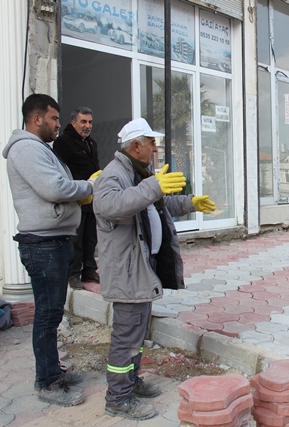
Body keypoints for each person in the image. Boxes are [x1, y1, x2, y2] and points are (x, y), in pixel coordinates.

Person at [92, 118, 215, 420]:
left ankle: (131, 383)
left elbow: (156, 206)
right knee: (126, 336)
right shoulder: (115, 175)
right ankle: (118, 398)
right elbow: (108, 206)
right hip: (126, 270)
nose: (155, 148)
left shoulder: (137, 173)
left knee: (137, 332)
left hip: (140, 267)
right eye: (151, 143)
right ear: (136, 146)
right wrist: (152, 186)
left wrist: (191, 203)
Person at [2, 94, 97, 406]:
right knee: (46, 315)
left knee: (52, 313)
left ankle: (52, 372)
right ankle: (48, 383)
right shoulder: (26, 149)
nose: (59, 125)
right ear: (37, 118)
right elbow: (55, 188)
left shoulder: (39, 149)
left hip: (53, 241)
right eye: (54, 119)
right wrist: (89, 187)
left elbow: (58, 184)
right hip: (42, 245)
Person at [53, 107, 101, 289]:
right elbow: (59, 170)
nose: (87, 126)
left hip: (91, 197)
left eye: (89, 122)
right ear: (73, 123)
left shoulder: (91, 143)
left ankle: (89, 270)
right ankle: (73, 274)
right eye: (83, 122)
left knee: (90, 237)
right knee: (76, 238)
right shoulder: (63, 142)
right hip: (74, 198)